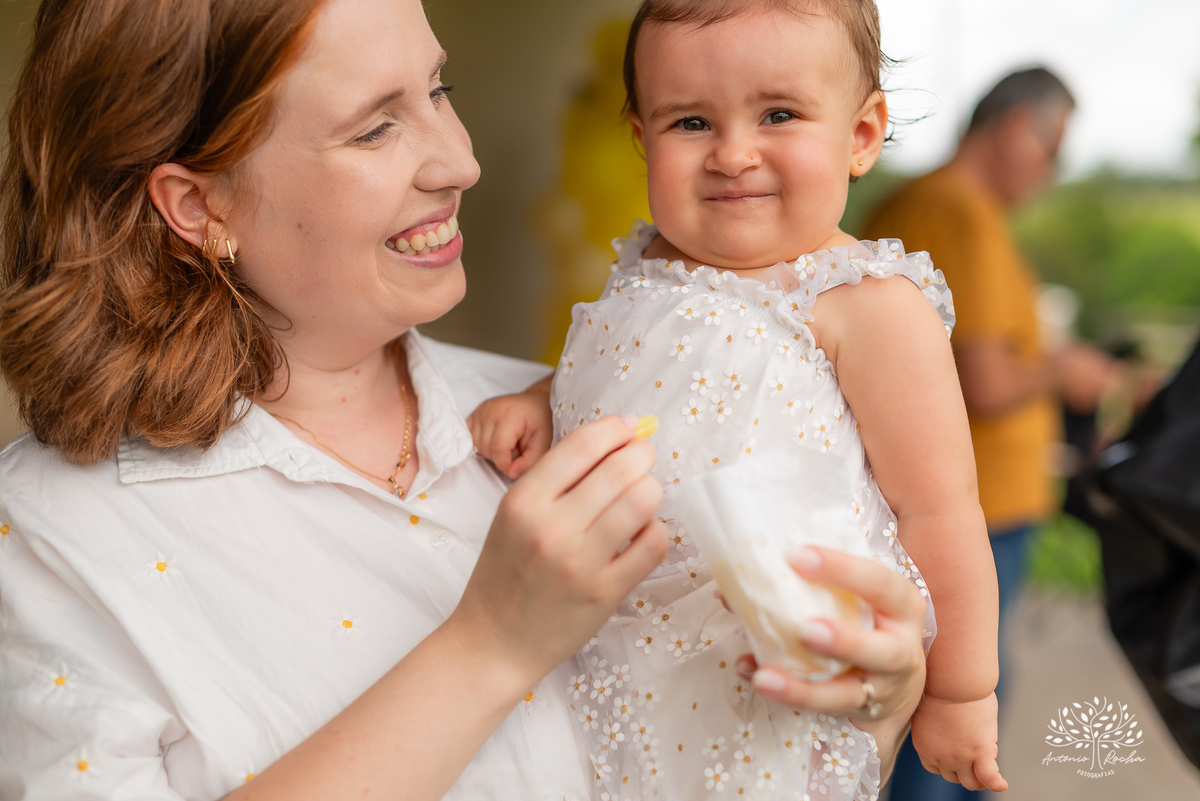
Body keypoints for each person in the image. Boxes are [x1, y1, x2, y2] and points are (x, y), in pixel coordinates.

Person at [0, 0, 931, 799]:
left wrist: (870, 694)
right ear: (198, 207)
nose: (461, 161)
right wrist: (489, 645)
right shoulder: (49, 538)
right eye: (375, 127)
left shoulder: (560, 414)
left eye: (437, 90)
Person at [467, 1, 1007, 799]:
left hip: (773, 672)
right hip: (617, 657)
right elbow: (642, 376)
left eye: (778, 114)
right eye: (690, 122)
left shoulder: (866, 303)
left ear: (859, 137)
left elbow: (942, 510)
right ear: (641, 137)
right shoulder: (650, 260)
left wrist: (962, 689)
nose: (733, 153)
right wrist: (546, 397)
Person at [861, 68, 1122, 801]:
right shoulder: (957, 211)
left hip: (979, 507)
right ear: (1017, 131)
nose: (1052, 174)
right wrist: (1066, 366)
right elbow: (985, 381)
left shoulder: (939, 205)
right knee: (950, 735)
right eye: (1055, 152)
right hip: (974, 515)